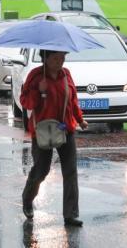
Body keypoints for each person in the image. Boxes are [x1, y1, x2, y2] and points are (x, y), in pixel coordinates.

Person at [20, 50, 88, 226]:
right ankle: (28, 198)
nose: (60, 61)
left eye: (63, 58)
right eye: (56, 58)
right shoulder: (35, 76)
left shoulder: (66, 75)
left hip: (65, 128)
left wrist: (80, 119)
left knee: (70, 171)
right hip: (43, 130)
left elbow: (72, 100)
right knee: (42, 170)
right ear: (46, 58)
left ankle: (71, 214)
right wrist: (38, 91)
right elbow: (25, 102)